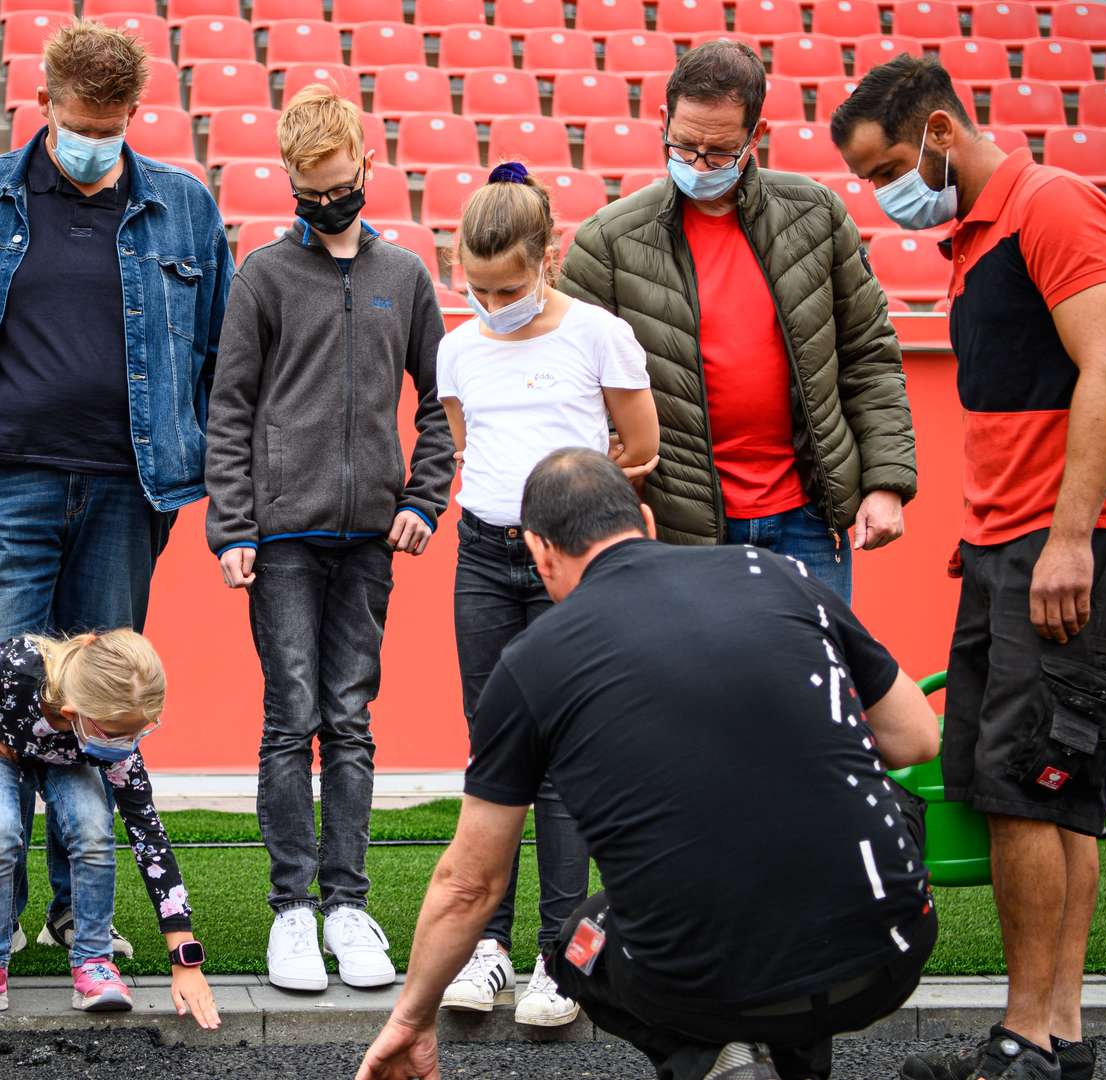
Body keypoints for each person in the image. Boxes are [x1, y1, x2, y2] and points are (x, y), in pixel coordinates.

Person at [356, 448, 942, 1080]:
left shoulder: (532, 662)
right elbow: (915, 739)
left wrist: (411, 1020)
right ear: (644, 518)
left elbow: (469, 885)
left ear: (539, 552)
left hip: (703, 984)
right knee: (844, 833)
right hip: (891, 951)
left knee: (577, 948)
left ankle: (716, 1055)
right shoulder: (773, 572)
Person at [831, 57, 1106, 1080]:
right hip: (1008, 545)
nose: (886, 188)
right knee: (1036, 784)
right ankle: (1056, 1038)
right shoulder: (974, 241)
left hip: (1076, 544)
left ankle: (1027, 1038)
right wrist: (988, 540)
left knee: (1032, 786)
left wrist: (1064, 538)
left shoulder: (1054, 207)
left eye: (888, 164)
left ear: (938, 131)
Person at [0, 18, 229, 976]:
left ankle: (87, 920)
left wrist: (187, 455)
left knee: (101, 708)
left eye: (111, 124)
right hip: (3, 488)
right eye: (79, 120)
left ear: (133, 113)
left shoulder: (185, 208)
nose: (93, 139)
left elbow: (216, 352)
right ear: (43, 103)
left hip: (129, 493)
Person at [202, 81, 455, 994]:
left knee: (350, 721)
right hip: (280, 542)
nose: (325, 203)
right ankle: (291, 915)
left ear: (366, 167)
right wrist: (231, 523)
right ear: (290, 182)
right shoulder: (263, 275)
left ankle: (348, 905)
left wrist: (425, 500)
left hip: (370, 542)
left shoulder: (406, 277)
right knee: (290, 719)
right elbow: (228, 408)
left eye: (338, 184)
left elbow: (440, 404)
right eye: (307, 192)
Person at [558, 40, 916, 603]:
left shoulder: (817, 215)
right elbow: (572, 386)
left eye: (721, 152)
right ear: (662, 120)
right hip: (678, 528)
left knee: (811, 687)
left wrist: (886, 482)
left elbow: (869, 356)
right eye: (684, 145)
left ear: (758, 134)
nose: (698, 164)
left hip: (808, 521)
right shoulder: (607, 241)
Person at [433, 163, 660, 1029]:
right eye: (478, 287)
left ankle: (555, 957)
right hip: (484, 557)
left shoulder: (597, 334)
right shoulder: (457, 347)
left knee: (568, 757)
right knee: (494, 750)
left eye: (511, 285)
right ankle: (485, 948)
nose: (494, 301)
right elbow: (467, 442)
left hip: (572, 560)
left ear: (550, 258)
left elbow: (638, 446)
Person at [0, 626, 221, 1030]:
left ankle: (94, 962)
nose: (127, 746)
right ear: (73, 713)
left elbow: (149, 838)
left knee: (93, 829)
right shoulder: (7, 670)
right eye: (118, 734)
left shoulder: (114, 746)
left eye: (137, 733)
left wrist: (184, 956)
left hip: (68, 755)